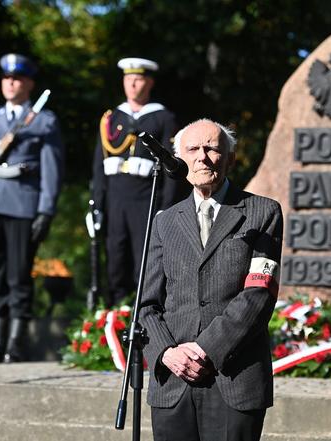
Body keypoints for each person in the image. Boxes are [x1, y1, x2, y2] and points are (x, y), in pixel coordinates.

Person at [139, 119, 283, 441]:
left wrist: (204, 349)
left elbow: (258, 294)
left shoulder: (263, 213)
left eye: (212, 148)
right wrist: (167, 353)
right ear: (179, 159)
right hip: (172, 382)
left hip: (233, 378)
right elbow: (146, 304)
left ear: (230, 158)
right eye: (192, 149)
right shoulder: (164, 222)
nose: (202, 157)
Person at [0, 53, 65, 363]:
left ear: (29, 83)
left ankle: (16, 344)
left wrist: (46, 210)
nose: (10, 82)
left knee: (19, 274)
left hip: (23, 205)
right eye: (6, 78)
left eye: (17, 78)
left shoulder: (44, 120)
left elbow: (52, 170)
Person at [92, 57, 188, 307]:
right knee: (115, 261)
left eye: (138, 79)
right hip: (115, 200)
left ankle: (143, 319)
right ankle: (114, 317)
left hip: (146, 200)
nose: (133, 84)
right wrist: (97, 205)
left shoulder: (162, 118)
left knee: (144, 264)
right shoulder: (111, 119)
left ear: (150, 82)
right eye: (128, 79)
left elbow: (171, 170)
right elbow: (98, 167)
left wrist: (165, 208)